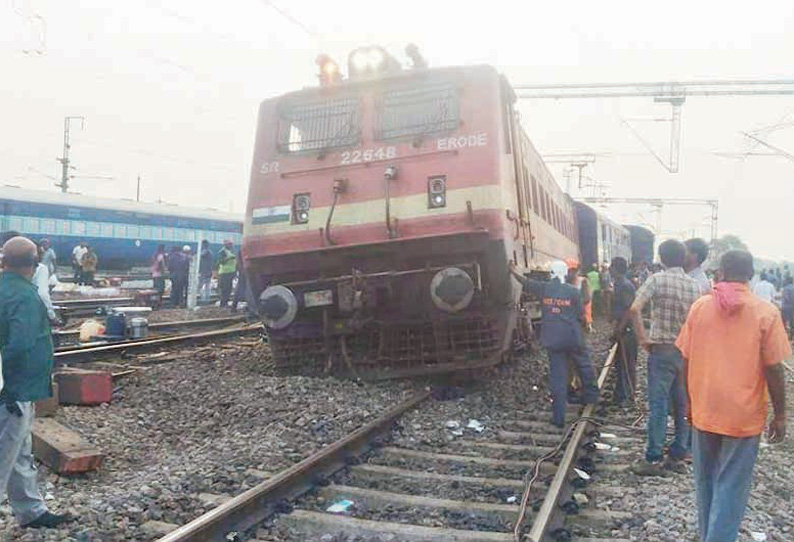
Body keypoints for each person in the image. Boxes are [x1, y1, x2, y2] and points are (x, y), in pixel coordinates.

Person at [676, 250, 789, 542]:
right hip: (743, 415)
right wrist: (780, 414)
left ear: (721, 272)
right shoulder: (766, 313)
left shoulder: (700, 308)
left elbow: (685, 361)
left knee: (705, 482)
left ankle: (708, 536)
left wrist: (689, 400)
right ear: (750, 275)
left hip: (705, 408)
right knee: (731, 485)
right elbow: (775, 369)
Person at [0, 236, 74, 529]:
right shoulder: (26, 297)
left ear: (3, 260)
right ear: (35, 263)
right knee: (5, 452)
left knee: (20, 451)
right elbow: (20, 345)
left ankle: (31, 510)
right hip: (12, 391)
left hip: (12, 389)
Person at [629, 239, 700, 476]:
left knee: (658, 404)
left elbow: (634, 309)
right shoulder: (693, 286)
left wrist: (642, 339)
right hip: (685, 352)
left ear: (661, 258)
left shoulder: (657, 279)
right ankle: (678, 454)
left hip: (661, 350)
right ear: (683, 258)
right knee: (681, 404)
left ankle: (653, 457)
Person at [510, 261, 599, 427]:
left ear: (550, 273)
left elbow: (525, 282)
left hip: (553, 339)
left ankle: (558, 418)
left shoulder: (544, 288)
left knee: (558, 377)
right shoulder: (573, 291)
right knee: (584, 366)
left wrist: (513, 271)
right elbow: (580, 313)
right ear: (565, 273)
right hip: (572, 337)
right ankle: (591, 398)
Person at [609, 257, 637, 406]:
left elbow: (628, 310)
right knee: (621, 363)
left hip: (627, 331)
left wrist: (619, 329)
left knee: (626, 364)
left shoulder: (625, 286)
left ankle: (627, 396)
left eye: (611, 267)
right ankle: (621, 394)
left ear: (616, 268)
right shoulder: (620, 284)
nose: (609, 269)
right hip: (624, 329)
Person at [216, 240, 237, 308]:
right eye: (230, 244)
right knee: (225, 289)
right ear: (226, 245)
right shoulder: (222, 252)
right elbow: (220, 262)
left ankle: (226, 303)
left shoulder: (232, 251)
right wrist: (228, 258)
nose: (231, 246)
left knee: (229, 289)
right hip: (224, 273)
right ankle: (223, 303)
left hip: (231, 272)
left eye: (231, 244)